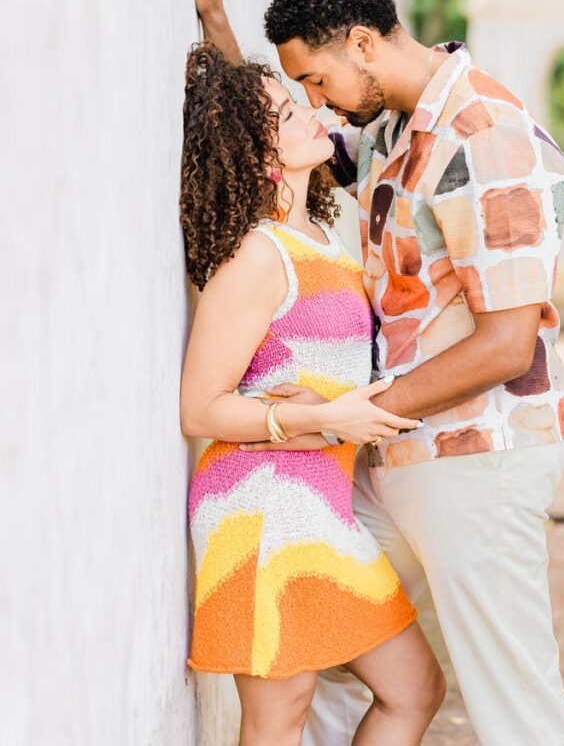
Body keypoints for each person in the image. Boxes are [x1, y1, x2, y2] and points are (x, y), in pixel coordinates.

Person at [192, 0, 564, 746]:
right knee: (325, 650)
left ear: (363, 44)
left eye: (317, 81)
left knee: (511, 696)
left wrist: (356, 407)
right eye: (301, 92)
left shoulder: (484, 135)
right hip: (388, 453)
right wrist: (215, 20)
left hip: (476, 456)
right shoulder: (389, 131)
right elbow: (272, 144)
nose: (314, 101)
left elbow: (507, 342)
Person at [179, 45, 446, 746]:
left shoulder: (322, 239)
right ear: (263, 159)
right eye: (290, 112)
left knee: (413, 689)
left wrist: (323, 420)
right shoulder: (256, 255)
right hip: (262, 507)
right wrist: (319, 417)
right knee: (280, 713)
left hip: (318, 502)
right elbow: (199, 407)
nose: (315, 110)